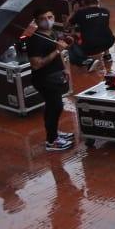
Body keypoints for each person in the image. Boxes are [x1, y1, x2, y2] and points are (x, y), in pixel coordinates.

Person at [24, 11, 73, 152]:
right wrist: (57, 51)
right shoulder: (35, 40)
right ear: (37, 22)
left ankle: (54, 133)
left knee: (53, 107)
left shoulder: (52, 34)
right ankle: (52, 141)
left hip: (55, 76)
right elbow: (36, 64)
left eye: (50, 17)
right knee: (55, 107)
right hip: (44, 79)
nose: (47, 20)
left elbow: (58, 56)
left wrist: (65, 68)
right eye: (42, 18)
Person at [68, 3, 115, 74]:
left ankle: (86, 61)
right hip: (109, 42)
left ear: (83, 2)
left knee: (69, 43)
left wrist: (74, 12)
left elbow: (67, 25)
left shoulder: (80, 13)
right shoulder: (105, 11)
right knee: (102, 30)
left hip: (90, 48)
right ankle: (107, 55)